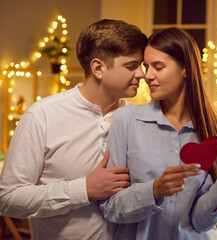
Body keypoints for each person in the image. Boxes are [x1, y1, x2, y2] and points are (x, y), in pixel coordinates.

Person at [100, 27, 217, 239]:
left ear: (186, 69)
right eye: (146, 66)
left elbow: (202, 221)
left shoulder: (213, 133)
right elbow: (111, 208)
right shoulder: (126, 120)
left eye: (158, 67)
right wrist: (154, 190)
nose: (147, 75)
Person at [0, 19, 147, 239]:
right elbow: (8, 199)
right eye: (131, 66)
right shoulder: (42, 116)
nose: (142, 74)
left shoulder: (139, 118)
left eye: (141, 65)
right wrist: (84, 190)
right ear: (98, 68)